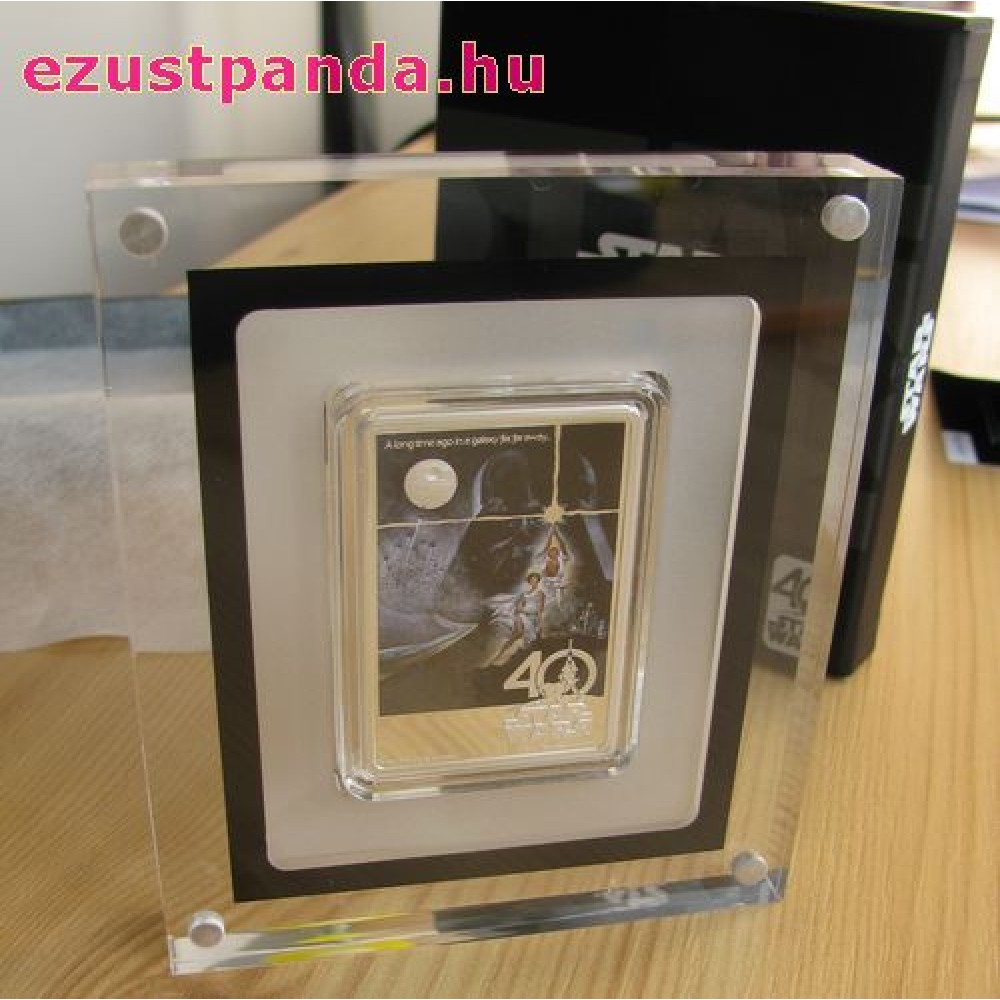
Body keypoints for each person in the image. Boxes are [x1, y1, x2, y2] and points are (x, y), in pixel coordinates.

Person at [490, 572, 545, 666]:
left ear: (538, 581)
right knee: (517, 633)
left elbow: (540, 610)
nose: (533, 582)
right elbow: (519, 607)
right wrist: (521, 610)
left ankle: (511, 658)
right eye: (532, 580)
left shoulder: (540, 593)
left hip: (533, 618)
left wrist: (540, 624)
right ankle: (499, 656)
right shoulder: (525, 594)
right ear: (529, 582)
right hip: (522, 616)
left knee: (526, 640)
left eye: (535, 580)